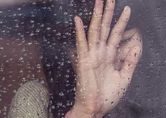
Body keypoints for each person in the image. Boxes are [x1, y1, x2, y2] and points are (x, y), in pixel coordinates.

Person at [5, 0, 143, 117]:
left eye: (122, 41)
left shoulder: (157, 103)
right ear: (67, 53)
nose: (106, 56)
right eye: (92, 44)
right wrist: (84, 111)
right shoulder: (34, 100)